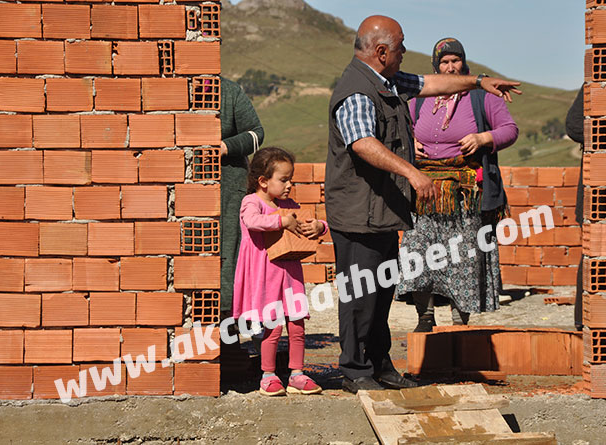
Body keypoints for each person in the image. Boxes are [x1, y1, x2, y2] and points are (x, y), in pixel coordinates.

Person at [326, 15, 521, 393]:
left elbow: (431, 83)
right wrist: (412, 172)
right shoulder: (357, 91)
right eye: (400, 46)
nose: (404, 52)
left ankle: (379, 365)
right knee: (360, 295)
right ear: (381, 52)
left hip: (380, 210)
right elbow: (363, 143)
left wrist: (479, 82)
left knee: (381, 294)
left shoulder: (387, 81)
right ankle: (355, 370)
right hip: (357, 213)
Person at [397, 38, 519, 332]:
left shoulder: (482, 96)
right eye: (444, 62)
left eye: (455, 61)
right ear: (436, 66)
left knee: (462, 258)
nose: (451, 67)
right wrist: (411, 141)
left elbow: (510, 130)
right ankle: (425, 318)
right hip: (425, 192)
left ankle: (457, 323)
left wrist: (483, 138)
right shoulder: (420, 98)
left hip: (465, 193)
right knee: (418, 254)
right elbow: (402, 128)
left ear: (464, 63)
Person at [232, 147, 327, 396]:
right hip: (266, 276)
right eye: (283, 179)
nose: (289, 185)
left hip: (291, 275)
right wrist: (281, 220)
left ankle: (297, 374)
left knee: (297, 325)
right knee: (272, 327)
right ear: (263, 181)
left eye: (290, 179)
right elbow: (252, 221)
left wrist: (320, 226)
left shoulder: (288, 205)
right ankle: (268, 375)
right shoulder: (251, 202)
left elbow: (305, 220)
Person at [219, 77, 265, 319]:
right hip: (184, 187)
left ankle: (228, 316)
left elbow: (256, 133)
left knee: (229, 248)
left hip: (229, 186)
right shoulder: (175, 87)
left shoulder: (229, 91)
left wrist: (224, 147)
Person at [565, 85, 584, 331]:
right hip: (599, 192)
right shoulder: (599, 83)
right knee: (594, 254)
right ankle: (583, 320)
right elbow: (574, 125)